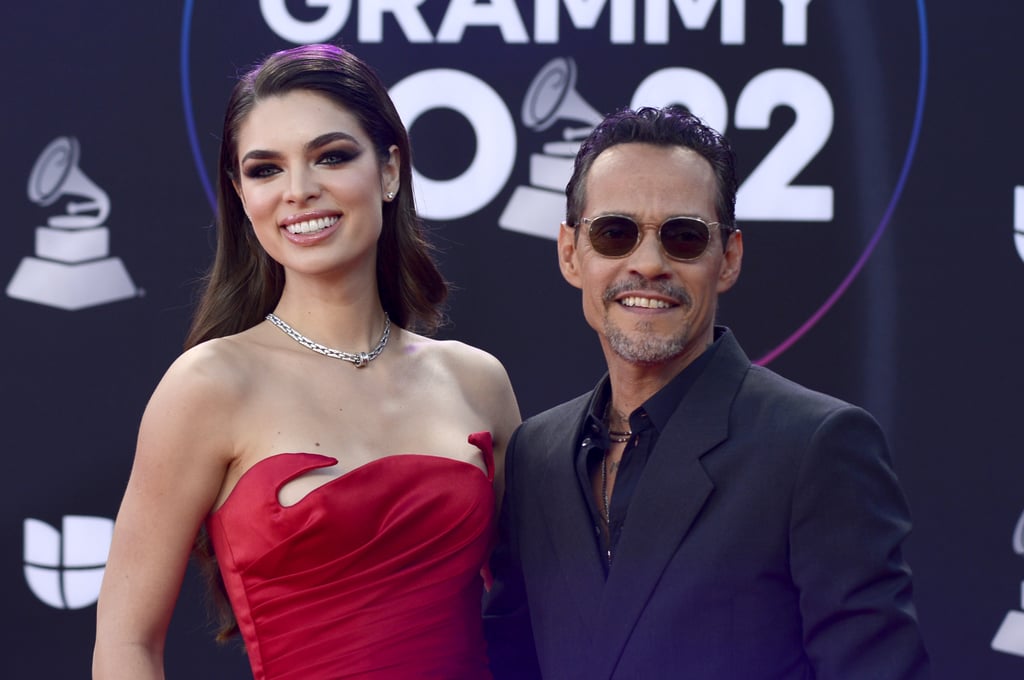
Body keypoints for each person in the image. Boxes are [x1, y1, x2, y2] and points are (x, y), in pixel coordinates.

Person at [92, 44, 520, 680]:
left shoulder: (477, 380)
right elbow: (126, 643)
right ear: (240, 195)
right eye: (265, 170)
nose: (299, 191)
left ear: (390, 170)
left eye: (332, 156)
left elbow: (528, 612)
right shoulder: (209, 387)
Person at [483, 105, 929, 679]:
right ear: (572, 253)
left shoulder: (817, 448)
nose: (648, 264)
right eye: (615, 234)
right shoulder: (535, 455)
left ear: (729, 258)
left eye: (684, 237)